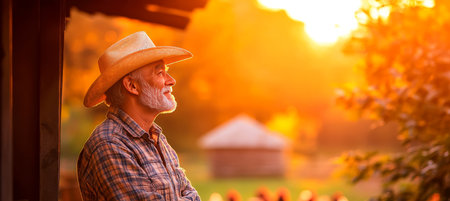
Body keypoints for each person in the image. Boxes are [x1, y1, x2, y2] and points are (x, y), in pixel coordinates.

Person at [77, 31, 201, 201]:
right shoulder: (109, 144)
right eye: (160, 73)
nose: (171, 80)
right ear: (132, 85)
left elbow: (192, 194)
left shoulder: (157, 138)